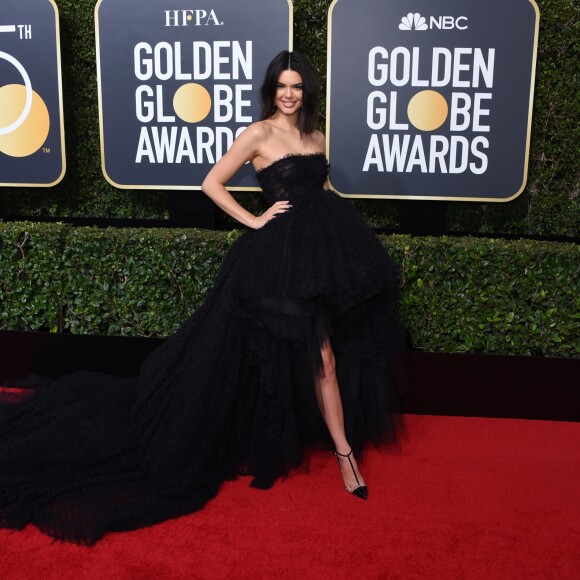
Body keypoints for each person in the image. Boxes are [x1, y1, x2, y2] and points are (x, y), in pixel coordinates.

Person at [0, 51, 400, 545]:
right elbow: (211, 182)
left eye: (297, 86)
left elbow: (320, 187)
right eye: (282, 86)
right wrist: (254, 219)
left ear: (307, 90)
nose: (289, 94)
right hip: (272, 263)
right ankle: (294, 443)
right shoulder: (258, 134)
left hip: (316, 261)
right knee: (282, 353)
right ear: (272, 90)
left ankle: (342, 451)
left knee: (325, 356)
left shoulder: (316, 136)